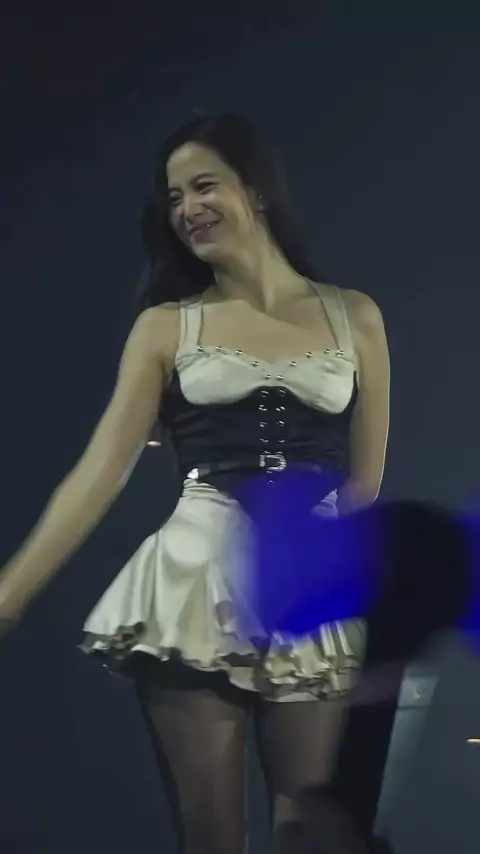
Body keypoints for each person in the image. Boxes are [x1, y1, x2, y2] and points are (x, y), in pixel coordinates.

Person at [0, 114, 390, 853]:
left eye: (204, 186)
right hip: (194, 579)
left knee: (310, 832)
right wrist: (10, 593)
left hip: (308, 592)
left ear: (257, 191)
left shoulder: (355, 316)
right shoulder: (166, 327)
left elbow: (364, 486)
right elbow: (99, 472)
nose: (187, 209)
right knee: (209, 838)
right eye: (175, 197)